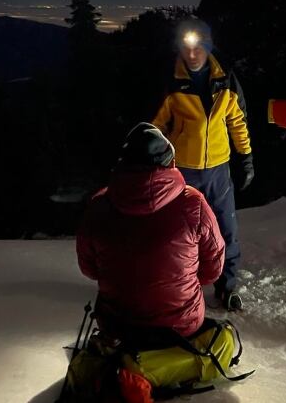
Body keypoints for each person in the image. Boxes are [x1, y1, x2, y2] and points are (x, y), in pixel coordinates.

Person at [77, 122, 225, 340]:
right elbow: (213, 269)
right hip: (180, 327)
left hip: (117, 326)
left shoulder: (98, 205)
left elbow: (89, 269)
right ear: (171, 162)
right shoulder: (193, 204)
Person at [152, 18, 254, 311]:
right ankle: (180, 286)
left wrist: (245, 158)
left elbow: (238, 122)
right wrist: (154, 165)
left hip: (218, 170)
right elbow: (156, 127)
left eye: (199, 47)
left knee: (225, 229)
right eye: (187, 48)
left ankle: (228, 286)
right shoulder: (172, 82)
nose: (193, 54)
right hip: (181, 171)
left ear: (208, 47)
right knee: (177, 232)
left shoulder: (226, 80)